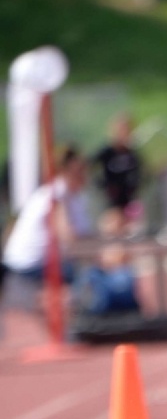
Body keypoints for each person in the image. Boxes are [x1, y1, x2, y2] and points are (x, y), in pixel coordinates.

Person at [0, 145, 93, 321]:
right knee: (88, 277)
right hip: (27, 266)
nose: (83, 176)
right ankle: (76, 322)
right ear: (65, 172)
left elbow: (82, 235)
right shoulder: (56, 195)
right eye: (78, 171)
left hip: (36, 263)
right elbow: (68, 236)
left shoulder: (74, 198)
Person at [91, 114, 144, 236]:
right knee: (112, 230)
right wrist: (102, 185)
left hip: (128, 202)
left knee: (129, 233)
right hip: (110, 202)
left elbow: (140, 174)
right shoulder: (107, 152)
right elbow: (90, 168)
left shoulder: (132, 154)